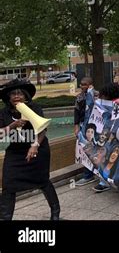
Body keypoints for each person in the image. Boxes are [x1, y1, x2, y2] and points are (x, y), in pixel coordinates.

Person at [0, 79, 60, 220]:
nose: (16, 96)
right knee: (8, 185)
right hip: (15, 152)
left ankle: (55, 213)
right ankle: (5, 217)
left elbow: (43, 129)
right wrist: (14, 125)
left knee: (43, 181)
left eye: (20, 94)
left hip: (38, 149)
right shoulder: (4, 113)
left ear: (26, 96)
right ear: (8, 97)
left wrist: (35, 145)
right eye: (13, 94)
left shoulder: (35, 108)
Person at [74, 77, 97, 186]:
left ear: (90, 84)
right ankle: (88, 175)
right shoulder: (79, 97)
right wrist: (76, 126)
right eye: (81, 84)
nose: (82, 86)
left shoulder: (96, 95)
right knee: (86, 150)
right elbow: (77, 112)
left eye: (85, 84)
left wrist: (91, 94)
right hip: (84, 126)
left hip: (96, 127)